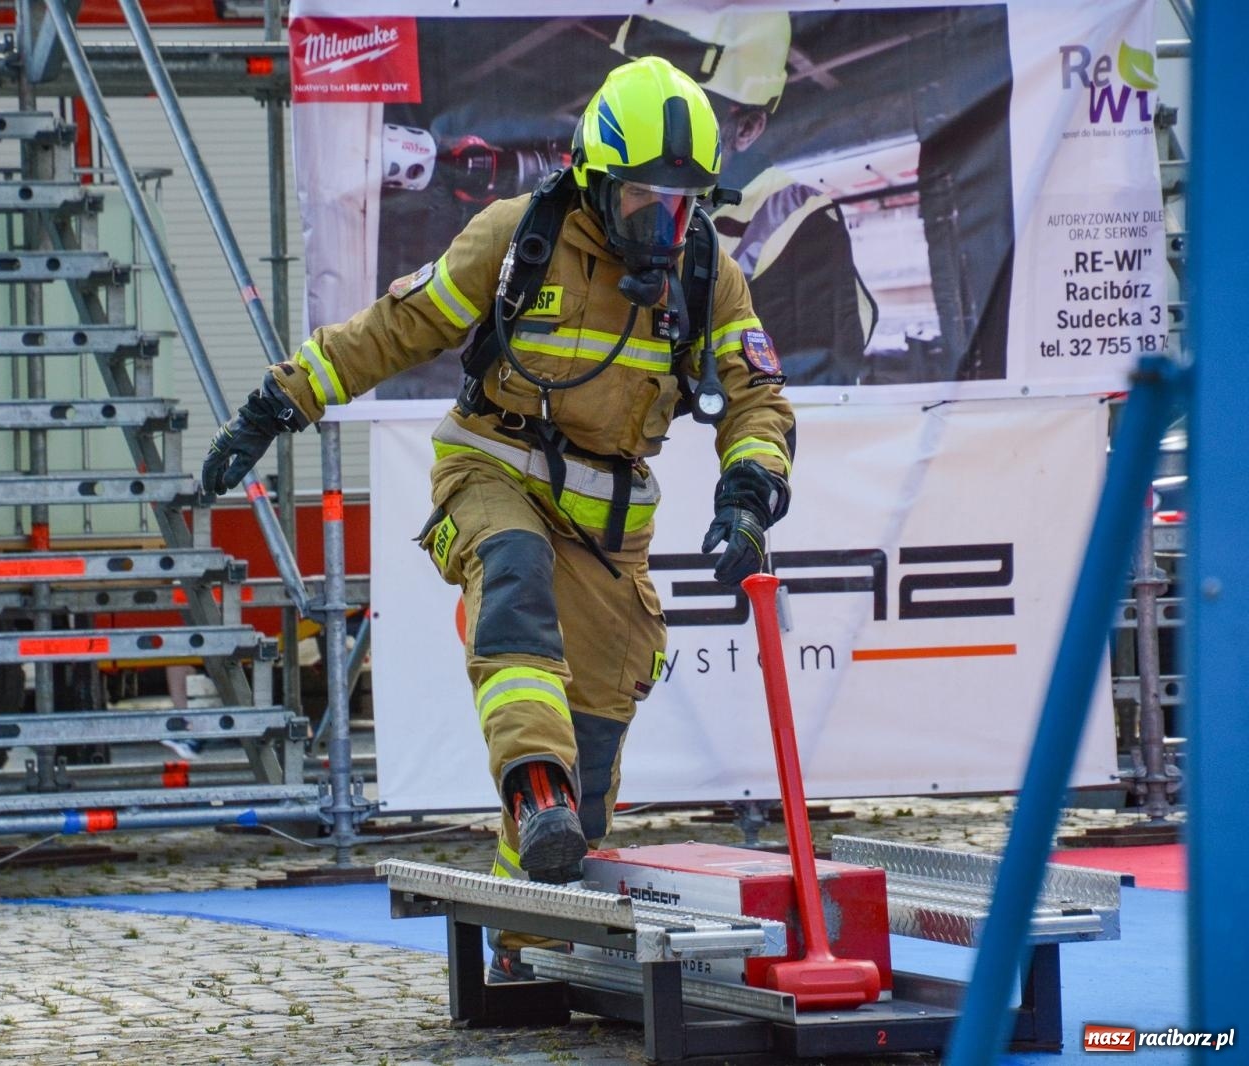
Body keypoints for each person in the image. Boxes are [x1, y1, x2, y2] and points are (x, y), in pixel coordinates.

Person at [200, 56, 796, 976]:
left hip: (608, 533)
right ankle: (534, 790)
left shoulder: (706, 272)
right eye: (645, 199)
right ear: (597, 181)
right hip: (491, 471)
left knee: (592, 759)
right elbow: (396, 329)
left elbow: (759, 396)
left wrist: (748, 493)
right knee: (512, 577)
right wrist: (280, 403)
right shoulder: (517, 238)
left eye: (682, 204)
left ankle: (533, 944)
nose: (664, 224)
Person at [614, 11, 878, 385]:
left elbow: (803, 384)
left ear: (747, 129)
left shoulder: (799, 221)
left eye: (682, 112)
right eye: (639, 103)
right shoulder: (614, 193)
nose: (649, 126)